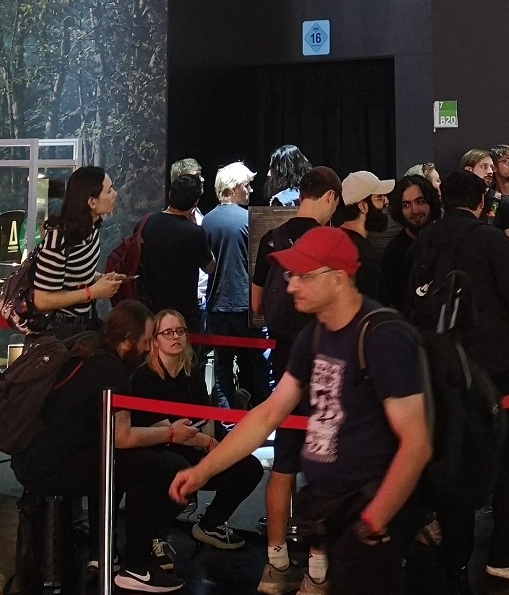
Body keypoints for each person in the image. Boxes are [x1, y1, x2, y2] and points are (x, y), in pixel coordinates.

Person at [171, 226, 431, 595]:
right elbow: (269, 413)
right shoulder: (315, 334)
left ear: (338, 278)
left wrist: (374, 520)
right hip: (334, 510)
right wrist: (203, 472)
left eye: (303, 276)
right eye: (290, 275)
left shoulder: (384, 336)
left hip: (369, 514)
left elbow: (416, 443)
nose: (290, 285)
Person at [410, 167, 509, 586]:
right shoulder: (490, 239)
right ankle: (506, 553)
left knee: (452, 460)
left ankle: (455, 558)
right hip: (494, 368)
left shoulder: (424, 241)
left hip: (438, 367)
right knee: (508, 463)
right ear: (482, 202)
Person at [13, 299, 189, 593]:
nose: (148, 348)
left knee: (128, 462)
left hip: (34, 457)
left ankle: (105, 552)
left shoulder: (88, 348)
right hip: (54, 467)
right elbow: (122, 437)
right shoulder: (112, 370)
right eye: (146, 341)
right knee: (154, 467)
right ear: (128, 340)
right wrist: (171, 433)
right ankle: (136, 565)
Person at [250, 165, 342, 592]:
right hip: (325, 366)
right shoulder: (330, 241)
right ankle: (317, 568)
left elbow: (257, 305)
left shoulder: (272, 238)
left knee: (283, 463)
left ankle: (275, 564)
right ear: (330, 197)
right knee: (323, 467)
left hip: (285, 362)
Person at [133, 308, 264, 550]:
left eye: (180, 331)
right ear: (155, 339)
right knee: (175, 467)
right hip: (163, 450)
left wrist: (209, 447)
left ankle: (210, 524)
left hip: (195, 444)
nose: (175, 337)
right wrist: (208, 444)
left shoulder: (191, 372)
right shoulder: (144, 377)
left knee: (251, 467)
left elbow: (206, 416)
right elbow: (169, 430)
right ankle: (154, 538)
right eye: (168, 332)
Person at [31, 165, 124, 338]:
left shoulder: (92, 228)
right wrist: (93, 292)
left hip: (82, 324)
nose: (115, 194)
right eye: (109, 190)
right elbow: (42, 300)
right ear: (92, 202)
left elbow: (73, 273)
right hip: (58, 332)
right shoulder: (59, 238)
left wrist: (101, 279)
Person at [201, 162, 262, 409]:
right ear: (234, 187)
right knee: (261, 364)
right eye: (247, 185)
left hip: (217, 304)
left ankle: (227, 423)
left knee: (222, 369)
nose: (250, 190)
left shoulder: (207, 221)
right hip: (246, 304)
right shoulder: (249, 220)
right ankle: (264, 419)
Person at [138, 173, 214, 328]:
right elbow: (210, 267)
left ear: (170, 194)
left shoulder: (147, 222)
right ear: (196, 202)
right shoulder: (195, 232)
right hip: (183, 312)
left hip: (151, 307)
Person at [381, 174, 439, 310]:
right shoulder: (393, 254)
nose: (415, 210)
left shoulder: (446, 241)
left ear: (431, 203)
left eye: (420, 201)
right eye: (406, 205)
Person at [334, 171, 394, 303]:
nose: (386, 201)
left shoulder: (333, 240)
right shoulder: (363, 255)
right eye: (379, 197)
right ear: (363, 206)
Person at [462, 148, 509, 244]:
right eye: (484, 166)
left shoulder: (503, 202)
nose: (490, 172)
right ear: (469, 170)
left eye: (492, 167)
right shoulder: (455, 200)